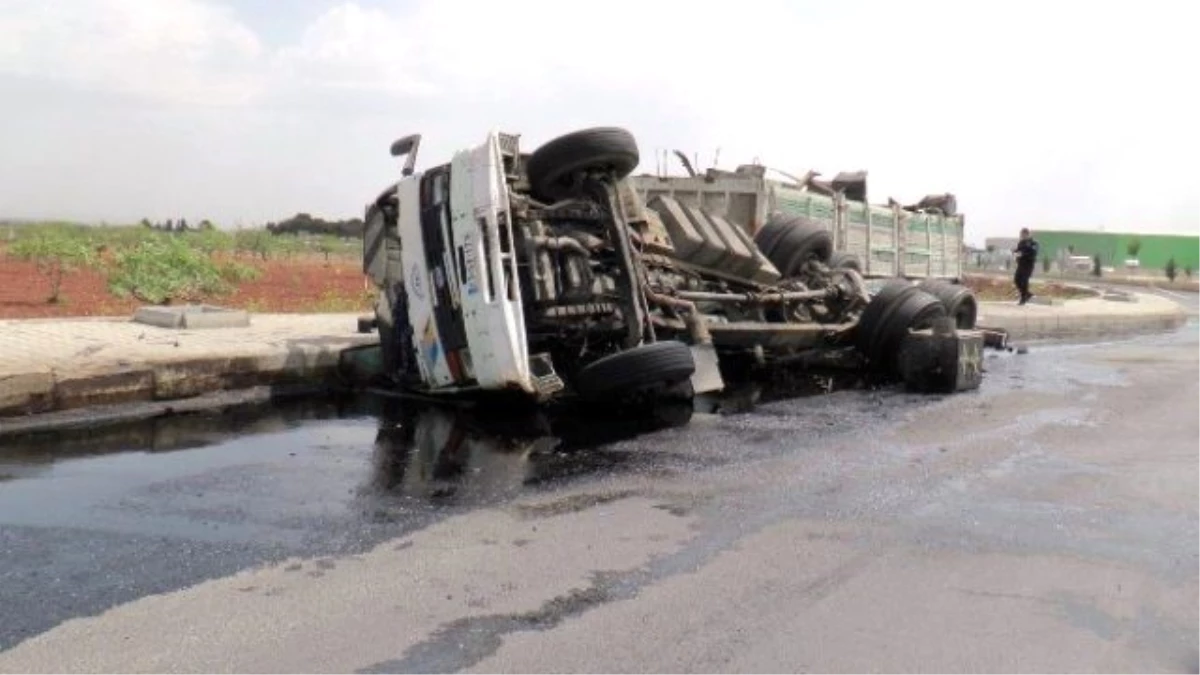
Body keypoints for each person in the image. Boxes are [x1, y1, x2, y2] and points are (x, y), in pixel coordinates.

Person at [1012, 228, 1039, 305]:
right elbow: (1018, 251)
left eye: (1023, 235)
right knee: (1016, 280)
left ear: (1027, 234)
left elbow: (1034, 252)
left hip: (1028, 265)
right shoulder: (1021, 243)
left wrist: (1023, 254)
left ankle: (1023, 298)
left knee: (1024, 281)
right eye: (1021, 235)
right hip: (1021, 264)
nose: (1022, 236)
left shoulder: (1034, 243)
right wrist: (1014, 252)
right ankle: (1028, 294)